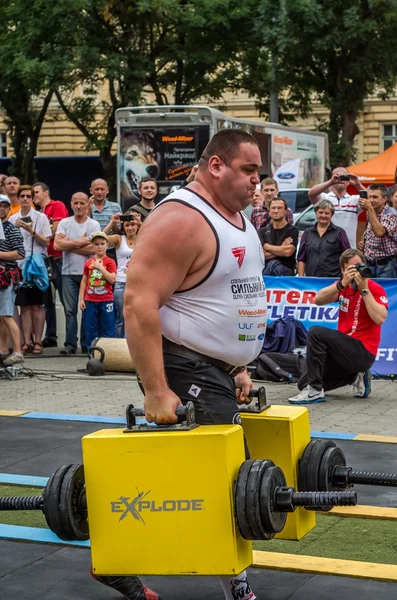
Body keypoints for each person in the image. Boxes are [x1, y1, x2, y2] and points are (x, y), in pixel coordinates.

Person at [96, 129, 267, 600]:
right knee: (231, 479)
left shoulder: (237, 216)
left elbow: (228, 293)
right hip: (183, 365)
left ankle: (113, 554)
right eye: (248, 170)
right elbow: (137, 304)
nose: (257, 181)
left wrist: (237, 365)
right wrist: (155, 389)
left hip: (214, 367)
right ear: (215, 166)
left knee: (188, 472)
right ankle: (237, 585)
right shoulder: (180, 219)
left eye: (258, 172)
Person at [288, 249, 388, 405]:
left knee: (316, 332)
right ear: (343, 270)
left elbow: (380, 318)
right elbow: (318, 299)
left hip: (363, 351)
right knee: (303, 383)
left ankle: (314, 391)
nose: (357, 272)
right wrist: (341, 284)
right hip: (343, 351)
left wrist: (364, 290)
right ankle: (354, 376)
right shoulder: (343, 286)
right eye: (352, 268)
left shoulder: (374, 288)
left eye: (359, 266)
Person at [54, 192, 100, 355]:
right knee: (70, 310)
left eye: (82, 203)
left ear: (88, 205)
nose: (79, 206)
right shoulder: (65, 223)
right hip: (68, 273)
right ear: (71, 204)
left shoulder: (93, 225)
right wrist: (80, 242)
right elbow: (57, 246)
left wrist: (69, 245)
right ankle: (70, 344)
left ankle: (86, 343)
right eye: (76, 203)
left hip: (88, 272)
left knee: (86, 309)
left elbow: (95, 248)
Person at [8, 185, 52, 355]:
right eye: (23, 196)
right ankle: (26, 341)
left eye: (29, 196)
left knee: (37, 306)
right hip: (19, 266)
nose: (25, 199)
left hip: (36, 267)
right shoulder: (13, 219)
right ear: (19, 199)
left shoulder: (41, 217)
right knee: (24, 307)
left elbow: (47, 242)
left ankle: (38, 341)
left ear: (33, 199)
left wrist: (30, 230)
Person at [33, 182, 69, 348]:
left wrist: (38, 231)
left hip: (58, 259)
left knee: (65, 300)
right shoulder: (38, 213)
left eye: (36, 192)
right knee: (47, 301)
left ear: (46, 192)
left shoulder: (57, 205)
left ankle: (71, 341)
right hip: (44, 260)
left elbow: (55, 231)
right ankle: (51, 336)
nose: (34, 196)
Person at [308, 167, 366, 247]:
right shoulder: (324, 198)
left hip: (348, 248)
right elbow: (311, 193)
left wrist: (357, 184)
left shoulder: (354, 199)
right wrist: (331, 182)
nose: (341, 179)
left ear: (348, 181)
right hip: (327, 247)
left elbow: (372, 200)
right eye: (337, 176)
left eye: (344, 177)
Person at [104, 212, 141, 337]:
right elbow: (100, 238)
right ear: (123, 227)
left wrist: (140, 222)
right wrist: (112, 223)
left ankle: (133, 345)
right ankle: (118, 344)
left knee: (137, 317)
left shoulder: (143, 238)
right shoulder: (119, 239)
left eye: (132, 224)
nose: (130, 228)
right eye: (127, 225)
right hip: (121, 282)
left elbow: (156, 236)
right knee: (120, 318)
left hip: (138, 283)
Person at [79, 232, 116, 348]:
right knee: (91, 329)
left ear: (107, 245)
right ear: (92, 246)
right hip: (90, 299)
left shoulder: (110, 262)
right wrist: (81, 299)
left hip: (106, 300)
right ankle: (92, 353)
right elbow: (84, 281)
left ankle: (108, 353)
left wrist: (100, 267)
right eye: (96, 244)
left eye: (102, 244)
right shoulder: (88, 263)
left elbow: (112, 279)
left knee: (108, 328)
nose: (99, 246)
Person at [0, 195, 25, 366]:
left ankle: (17, 351)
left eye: (4, 206)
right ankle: (3, 349)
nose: (1, 209)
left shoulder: (11, 229)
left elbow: (20, 253)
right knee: (1, 316)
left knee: (7, 315)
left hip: (6, 277)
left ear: (9, 209)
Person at [297, 199, 350, 277]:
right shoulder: (307, 233)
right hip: (311, 280)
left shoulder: (340, 232)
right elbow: (301, 258)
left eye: (327, 213)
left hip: (333, 281)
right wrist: (301, 279)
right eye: (320, 212)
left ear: (331, 215)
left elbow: (347, 257)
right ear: (316, 213)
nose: (323, 215)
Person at [359, 184, 397, 278]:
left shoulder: (391, 214)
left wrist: (370, 209)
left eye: (375, 197)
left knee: (385, 292)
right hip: (369, 262)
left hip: (386, 264)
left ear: (384, 199)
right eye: (369, 197)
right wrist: (364, 241)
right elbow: (370, 229)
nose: (371, 200)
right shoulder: (371, 211)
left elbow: (379, 232)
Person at [259, 197, 299, 276]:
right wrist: (281, 247)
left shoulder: (292, 230)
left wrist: (267, 247)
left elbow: (287, 252)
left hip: (286, 276)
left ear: (286, 211)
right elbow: (261, 256)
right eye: (273, 208)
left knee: (275, 264)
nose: (276, 211)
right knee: (273, 264)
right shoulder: (262, 231)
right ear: (269, 211)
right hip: (267, 275)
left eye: (279, 208)